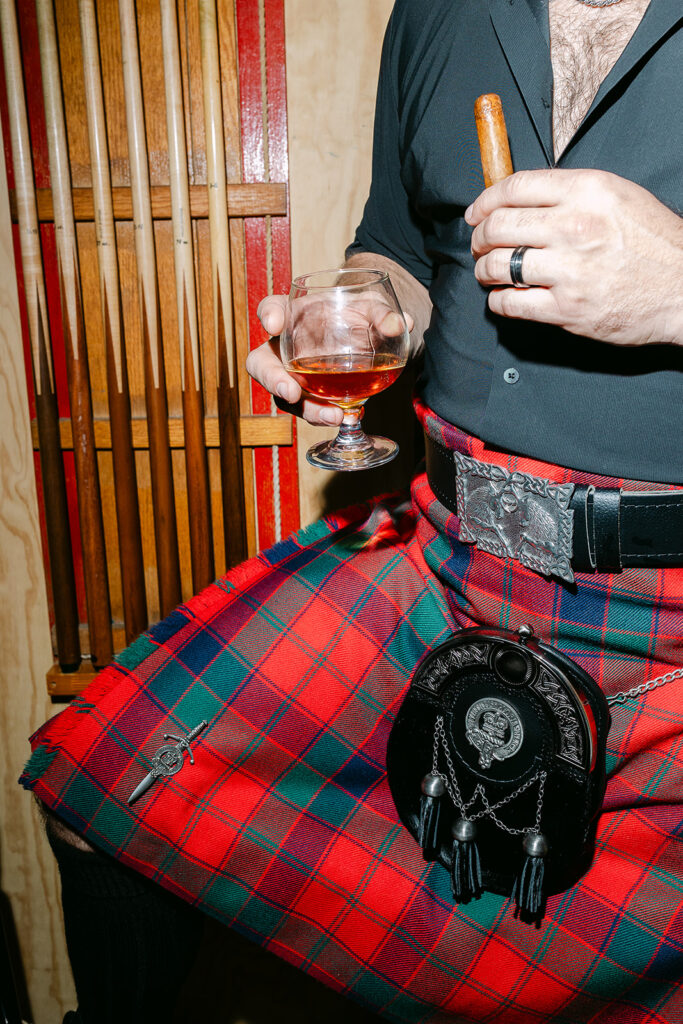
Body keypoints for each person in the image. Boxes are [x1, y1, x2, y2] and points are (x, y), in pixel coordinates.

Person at [24, 0, 683, 1021]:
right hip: (447, 562)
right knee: (108, 776)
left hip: (671, 617)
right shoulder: (437, 11)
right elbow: (399, 251)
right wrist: (374, 305)